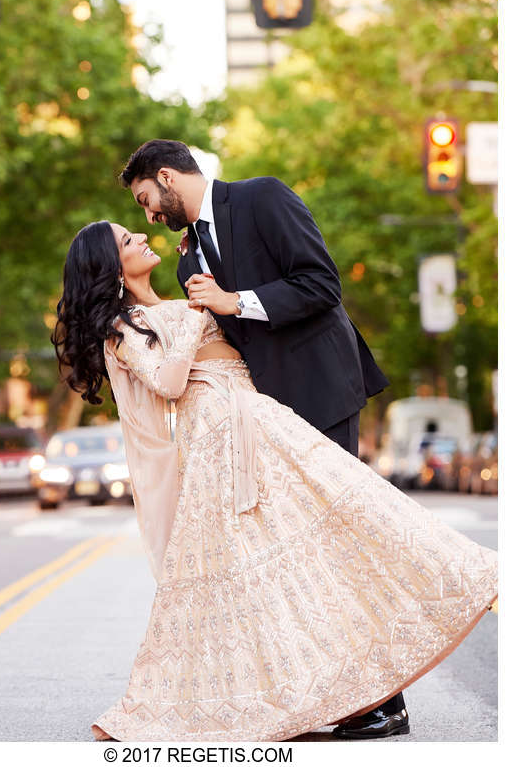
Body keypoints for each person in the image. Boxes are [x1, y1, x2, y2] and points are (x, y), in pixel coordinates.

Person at [52, 221, 497, 744]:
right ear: (111, 268)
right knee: (258, 573)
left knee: (350, 517)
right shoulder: (122, 327)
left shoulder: (182, 292)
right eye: (128, 241)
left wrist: (206, 276)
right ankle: (314, 697)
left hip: (259, 417)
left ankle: (374, 680)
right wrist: (198, 316)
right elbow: (170, 384)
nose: (142, 238)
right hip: (219, 437)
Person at [118, 139, 403, 737]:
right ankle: (353, 694)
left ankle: (382, 699)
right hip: (263, 420)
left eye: (147, 199)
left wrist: (233, 300)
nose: (149, 215)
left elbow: (322, 284)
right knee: (304, 558)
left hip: (321, 392)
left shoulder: (263, 197)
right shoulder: (185, 260)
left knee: (340, 544)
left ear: (167, 178)